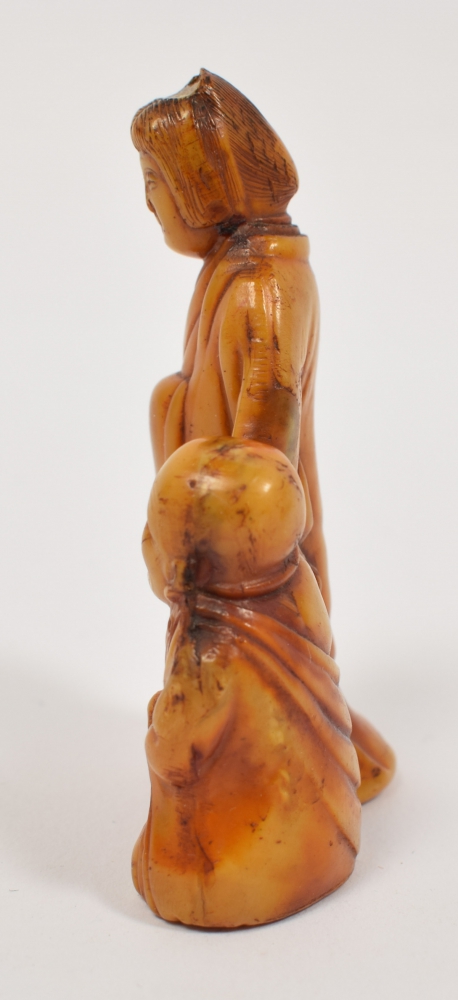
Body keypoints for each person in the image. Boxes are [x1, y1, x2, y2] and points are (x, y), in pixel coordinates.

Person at [130, 70, 395, 925]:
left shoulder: (262, 291)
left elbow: (264, 450)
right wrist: (172, 411)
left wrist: (204, 535)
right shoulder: (236, 271)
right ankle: (333, 753)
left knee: (270, 671)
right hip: (217, 529)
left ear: (201, 190)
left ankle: (304, 791)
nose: (148, 205)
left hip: (242, 545)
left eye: (156, 185)